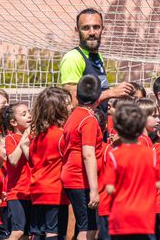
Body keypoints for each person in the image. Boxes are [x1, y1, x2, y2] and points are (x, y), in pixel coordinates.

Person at [60, 8, 135, 113]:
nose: (92, 32)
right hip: (85, 128)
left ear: (102, 29)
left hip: (99, 127)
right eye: (86, 28)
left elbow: (96, 97)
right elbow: (75, 103)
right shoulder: (73, 58)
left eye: (96, 27)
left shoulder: (98, 57)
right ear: (77, 30)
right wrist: (111, 93)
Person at [103, 103, 159, 240]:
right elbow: (157, 184)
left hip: (121, 215)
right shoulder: (150, 154)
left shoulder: (114, 154)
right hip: (144, 215)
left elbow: (109, 188)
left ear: (118, 129)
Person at [61, 75, 104, 240]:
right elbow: (88, 154)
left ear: (77, 96)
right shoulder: (89, 119)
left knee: (85, 226)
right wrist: (94, 190)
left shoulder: (74, 115)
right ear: (98, 97)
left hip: (72, 176)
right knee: (88, 230)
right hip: (80, 179)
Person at [29, 87, 72, 240]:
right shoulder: (61, 136)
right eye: (67, 104)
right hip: (55, 191)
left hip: (37, 190)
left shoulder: (37, 136)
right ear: (59, 109)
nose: (70, 107)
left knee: (38, 232)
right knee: (54, 232)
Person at [1, 103, 32, 240]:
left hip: (32, 192)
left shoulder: (33, 138)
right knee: (17, 231)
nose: (29, 116)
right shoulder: (10, 138)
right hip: (17, 194)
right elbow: (13, 160)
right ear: (13, 122)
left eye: (29, 112)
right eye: (24, 114)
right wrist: (24, 138)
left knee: (26, 234)